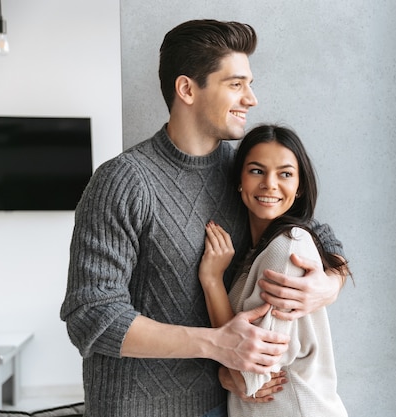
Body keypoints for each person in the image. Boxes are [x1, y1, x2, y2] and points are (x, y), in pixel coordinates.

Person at [60, 19, 346, 417]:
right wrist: (217, 343)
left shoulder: (243, 174)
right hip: (135, 409)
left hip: (223, 404)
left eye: (250, 83)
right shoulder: (123, 180)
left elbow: (312, 228)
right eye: (236, 84)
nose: (251, 99)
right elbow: (91, 315)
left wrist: (330, 283)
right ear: (187, 89)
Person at [200, 124, 350, 417]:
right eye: (257, 170)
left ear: (300, 186)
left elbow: (250, 373)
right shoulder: (259, 249)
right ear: (239, 180)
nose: (270, 184)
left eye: (285, 174)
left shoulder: (287, 248)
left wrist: (212, 280)